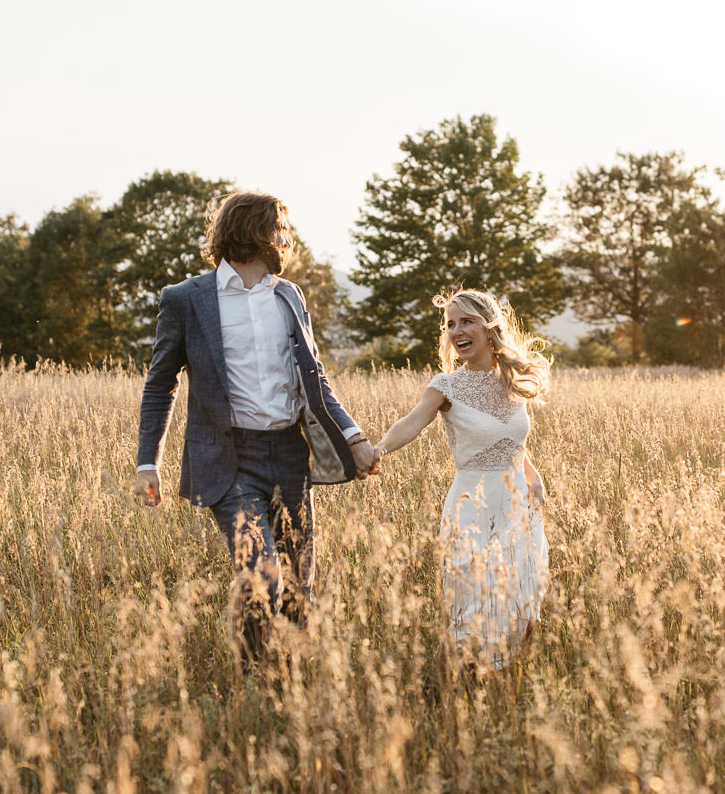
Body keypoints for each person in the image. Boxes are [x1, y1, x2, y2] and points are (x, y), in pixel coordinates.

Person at [133, 191, 379, 657]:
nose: (287, 238)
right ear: (257, 231)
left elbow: (316, 379)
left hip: (290, 455)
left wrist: (354, 437)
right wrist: (149, 462)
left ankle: (289, 682)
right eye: (281, 227)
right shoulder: (186, 300)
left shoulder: (288, 295)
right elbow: (159, 384)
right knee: (260, 574)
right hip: (230, 461)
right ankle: (252, 675)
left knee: (296, 586)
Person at [375, 288, 551, 665]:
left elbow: (512, 440)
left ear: (490, 329)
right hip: (471, 506)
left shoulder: (511, 383)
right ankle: (443, 688)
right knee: (471, 608)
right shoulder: (446, 387)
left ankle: (506, 691)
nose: (456, 331)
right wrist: (378, 451)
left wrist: (533, 475)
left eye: (466, 321)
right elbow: (410, 423)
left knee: (521, 601)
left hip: (519, 504)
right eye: (450, 324)